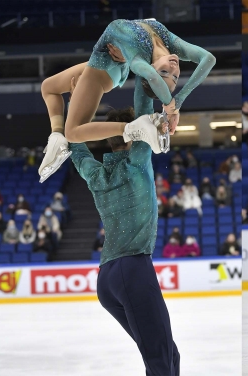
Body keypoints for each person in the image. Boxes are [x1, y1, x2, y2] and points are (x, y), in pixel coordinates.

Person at [67, 106, 180, 374]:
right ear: (135, 134)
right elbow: (143, 112)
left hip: (107, 278)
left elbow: (77, 146)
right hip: (134, 271)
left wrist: (75, 104)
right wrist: (150, 78)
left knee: (167, 354)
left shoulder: (96, 174)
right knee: (161, 359)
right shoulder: (136, 162)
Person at [37, 19, 216, 183]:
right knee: (48, 87)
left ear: (150, 68)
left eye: (165, 73)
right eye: (175, 78)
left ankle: (132, 129)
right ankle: (56, 136)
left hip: (103, 68)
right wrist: (179, 99)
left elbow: (153, 76)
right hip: (111, 60)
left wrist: (171, 107)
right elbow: (209, 59)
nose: (173, 69)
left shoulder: (140, 62)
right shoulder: (168, 41)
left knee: (73, 133)